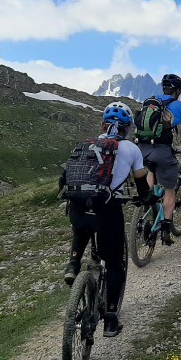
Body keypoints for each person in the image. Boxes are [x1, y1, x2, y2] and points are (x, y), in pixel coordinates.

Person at [61, 101, 153, 337]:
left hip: (79, 206)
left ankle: (73, 264)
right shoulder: (132, 150)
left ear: (103, 124)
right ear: (127, 128)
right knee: (114, 263)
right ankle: (111, 319)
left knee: (81, 228)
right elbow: (141, 181)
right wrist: (146, 199)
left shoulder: (87, 145)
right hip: (108, 209)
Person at [136, 74, 181, 245]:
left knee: (151, 169)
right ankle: (166, 230)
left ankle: (148, 203)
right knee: (169, 189)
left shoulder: (149, 102)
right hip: (162, 151)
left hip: (141, 149)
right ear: (177, 91)